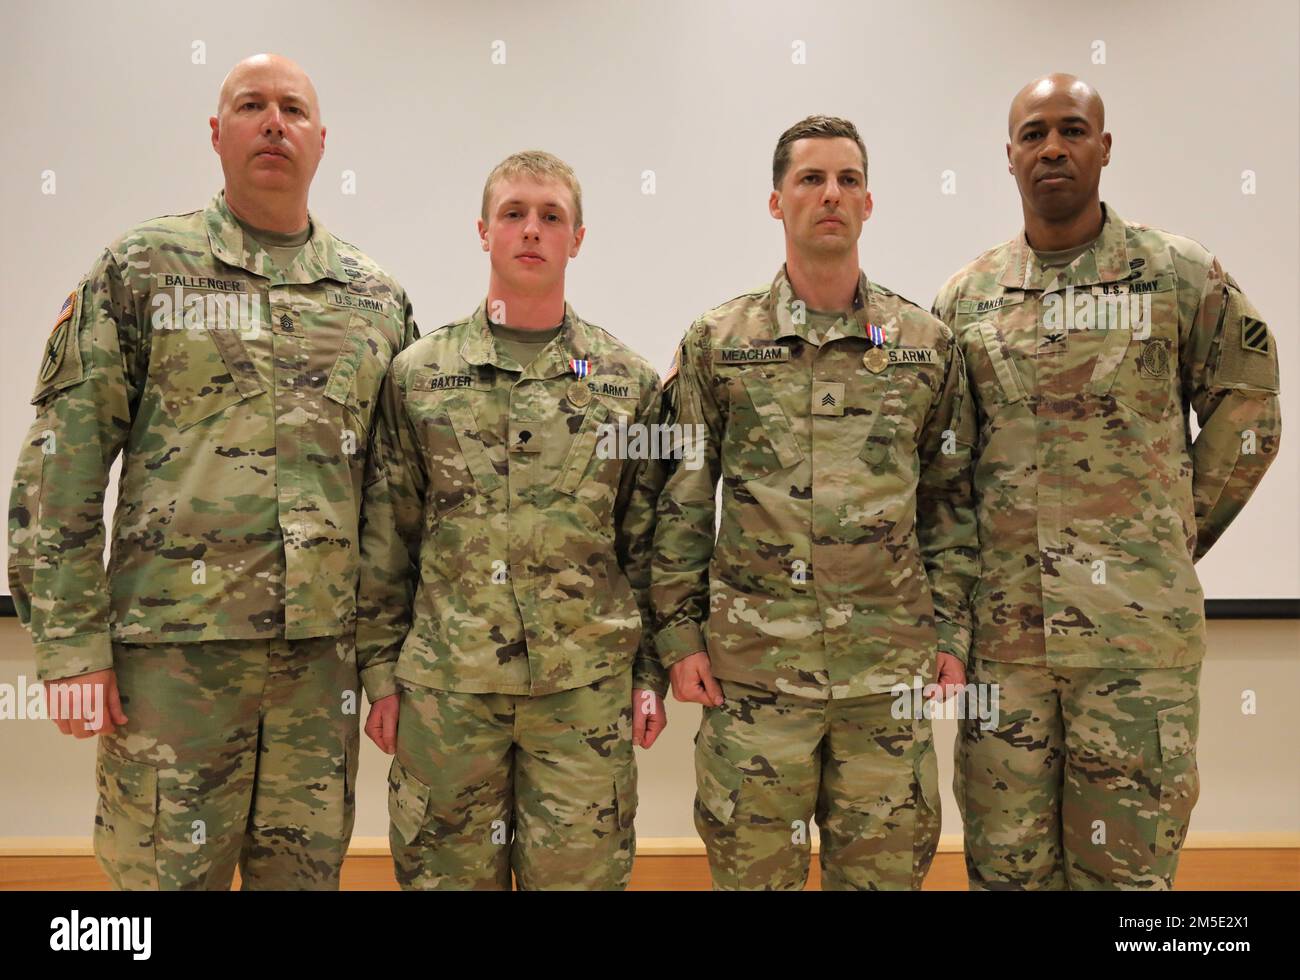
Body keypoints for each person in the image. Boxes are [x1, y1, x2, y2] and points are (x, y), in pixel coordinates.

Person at [7, 53, 419, 890]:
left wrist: (385, 662)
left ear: (321, 139)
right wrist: (71, 646)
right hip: (172, 669)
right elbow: (63, 464)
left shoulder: (374, 300)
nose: (274, 123)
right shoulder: (143, 270)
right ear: (217, 132)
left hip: (319, 671)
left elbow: (394, 505)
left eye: (293, 109)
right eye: (252, 105)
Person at [931, 73, 1282, 890]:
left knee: (1127, 883)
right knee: (1005, 871)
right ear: (1009, 157)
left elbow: (1250, 402)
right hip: (1005, 651)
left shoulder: (1177, 277)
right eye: (1033, 134)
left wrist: (1172, 527)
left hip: (1135, 650)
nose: (1053, 147)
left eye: (1072, 129)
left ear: (1105, 146)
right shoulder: (966, 301)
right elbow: (942, 464)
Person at [651, 116, 978, 890]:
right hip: (755, 677)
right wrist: (678, 637)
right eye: (810, 179)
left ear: (869, 203)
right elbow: (685, 500)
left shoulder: (925, 344)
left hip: (886, 680)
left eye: (848, 180)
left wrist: (955, 628)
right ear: (776, 202)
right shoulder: (719, 341)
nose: (830, 194)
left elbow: (951, 501)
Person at [356, 150, 668, 890]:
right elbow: (386, 536)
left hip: (583, 695)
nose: (532, 230)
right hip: (447, 698)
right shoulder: (420, 376)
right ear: (484, 231)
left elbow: (649, 543)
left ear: (577, 239)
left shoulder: (626, 384)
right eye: (514, 214)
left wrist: (650, 670)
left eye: (551, 217)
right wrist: (378, 673)